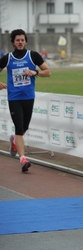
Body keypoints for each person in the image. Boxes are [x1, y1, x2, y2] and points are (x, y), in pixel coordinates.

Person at [0, 29, 51, 172]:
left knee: (24, 128)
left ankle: (15, 140)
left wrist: (35, 72)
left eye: (22, 40)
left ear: (26, 41)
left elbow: (48, 72)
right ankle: (23, 159)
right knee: (19, 127)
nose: (20, 42)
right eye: (17, 40)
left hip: (29, 97)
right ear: (13, 42)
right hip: (14, 98)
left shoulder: (33, 56)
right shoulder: (8, 58)